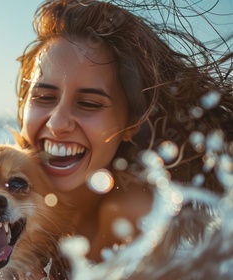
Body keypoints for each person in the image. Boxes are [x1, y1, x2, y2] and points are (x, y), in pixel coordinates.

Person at [16, 0, 233, 265]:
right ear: (22, 106)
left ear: (130, 124)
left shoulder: (133, 219)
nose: (58, 123)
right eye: (44, 97)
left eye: (89, 104)